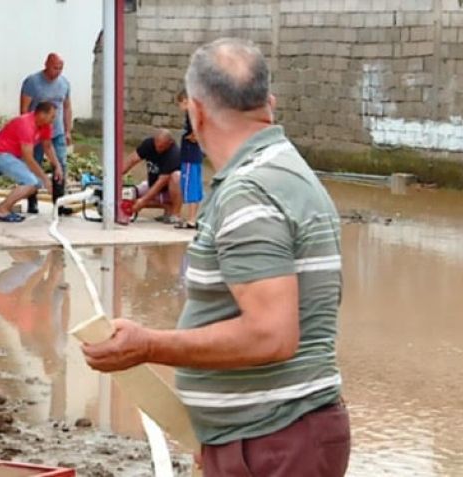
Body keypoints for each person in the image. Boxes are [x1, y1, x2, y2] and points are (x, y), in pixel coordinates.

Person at [81, 38, 350, 477]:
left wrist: (148, 345)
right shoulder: (285, 172)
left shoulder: (250, 192)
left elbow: (271, 335)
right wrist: (219, 433)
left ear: (197, 112)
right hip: (270, 436)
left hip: (273, 440)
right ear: (270, 104)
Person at [0, 101, 62, 222]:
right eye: (52, 116)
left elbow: (47, 146)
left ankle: (3, 206)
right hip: (0, 155)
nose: (54, 120)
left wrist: (57, 166)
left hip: (14, 156)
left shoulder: (46, 125)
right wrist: (46, 179)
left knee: (36, 183)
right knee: (30, 182)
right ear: (42, 114)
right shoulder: (26, 124)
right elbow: (29, 159)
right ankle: (2, 210)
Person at [20, 53, 73, 214]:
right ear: (46, 64)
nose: (57, 72)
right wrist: (27, 131)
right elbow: (24, 108)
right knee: (34, 164)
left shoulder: (64, 83)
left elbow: (67, 107)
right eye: (55, 68)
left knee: (60, 164)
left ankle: (59, 202)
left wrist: (67, 130)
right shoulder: (32, 82)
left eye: (60, 68)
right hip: (36, 132)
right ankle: (32, 200)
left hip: (56, 132)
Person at [122, 129, 183, 224]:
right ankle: (167, 207)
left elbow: (161, 182)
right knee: (128, 193)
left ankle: (175, 214)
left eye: (161, 146)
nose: (158, 148)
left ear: (170, 143)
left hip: (168, 189)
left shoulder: (174, 154)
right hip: (152, 184)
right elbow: (132, 159)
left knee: (177, 176)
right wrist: (114, 176)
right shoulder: (149, 144)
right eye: (156, 145)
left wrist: (143, 201)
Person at [175, 90, 204, 230]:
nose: (180, 107)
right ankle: (193, 218)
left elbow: (197, 133)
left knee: (189, 187)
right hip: (196, 156)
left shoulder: (191, 114)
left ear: (185, 101)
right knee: (196, 186)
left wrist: (190, 137)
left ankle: (190, 219)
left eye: (180, 104)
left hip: (189, 155)